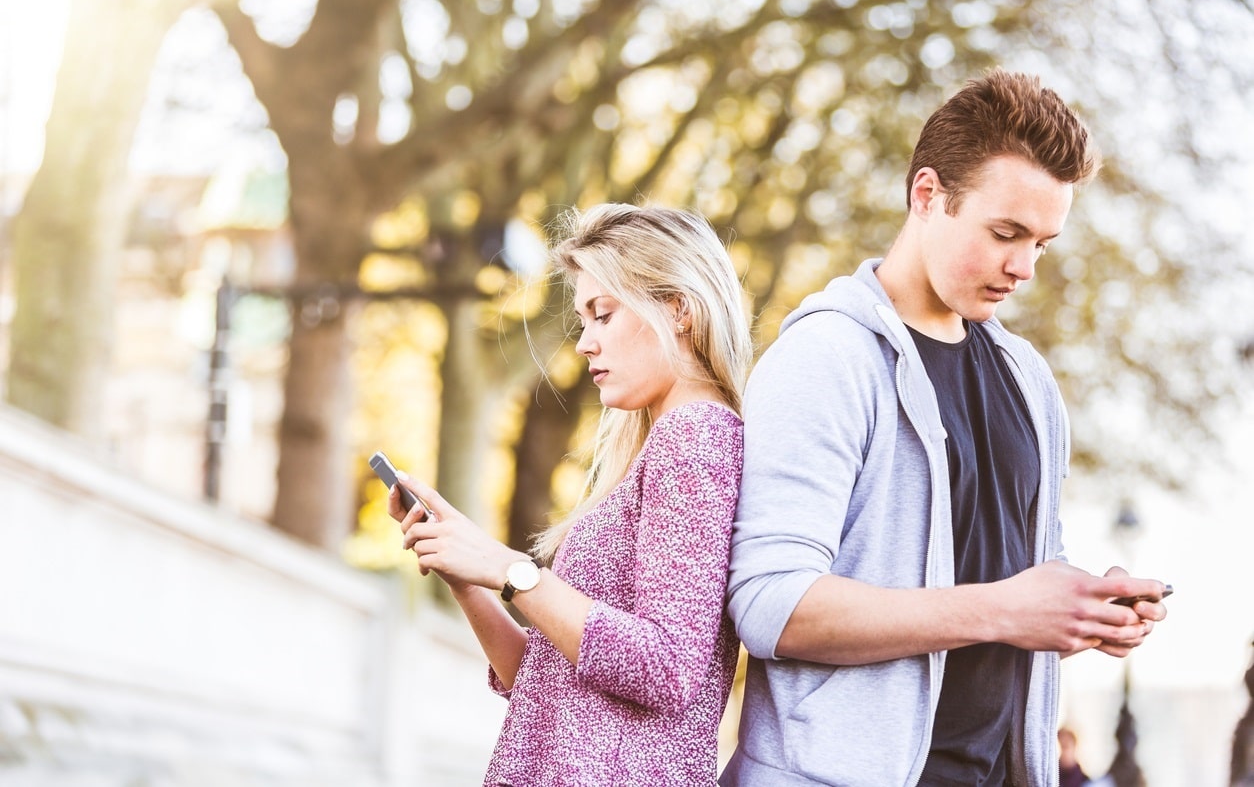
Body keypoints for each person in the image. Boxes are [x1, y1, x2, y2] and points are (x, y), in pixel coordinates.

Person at [721, 70, 1170, 786]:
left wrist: (1080, 611)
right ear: (926, 195)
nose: (1023, 267)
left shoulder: (1029, 381)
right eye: (1005, 233)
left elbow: (1004, 604)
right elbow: (770, 606)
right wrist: (1002, 610)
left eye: (1043, 244)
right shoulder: (824, 357)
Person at [388, 203, 754, 786]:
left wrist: (508, 568)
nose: (584, 342)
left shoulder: (697, 438)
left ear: (679, 310)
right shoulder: (658, 450)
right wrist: (466, 572)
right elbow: (544, 686)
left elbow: (667, 668)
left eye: (602, 315)